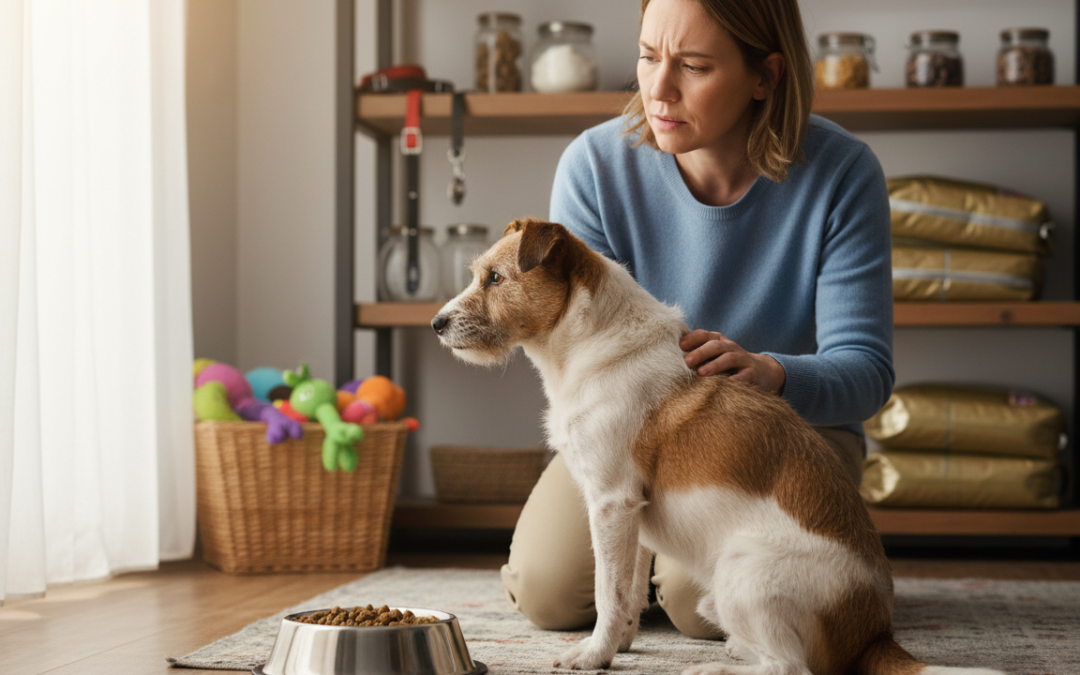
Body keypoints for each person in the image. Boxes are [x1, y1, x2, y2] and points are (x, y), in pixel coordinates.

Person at [500, 0, 894, 640]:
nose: (658, 89)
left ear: (765, 76)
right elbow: (573, 350)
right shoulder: (593, 165)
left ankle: (825, 587)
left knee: (699, 604)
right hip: (630, 427)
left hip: (785, 434)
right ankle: (653, 572)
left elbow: (867, 372)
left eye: (694, 66)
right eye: (648, 56)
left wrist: (774, 374)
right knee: (547, 592)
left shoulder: (843, 173)